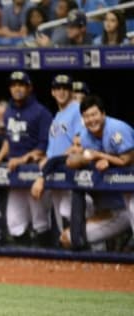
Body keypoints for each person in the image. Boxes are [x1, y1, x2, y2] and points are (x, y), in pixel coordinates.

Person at [0, 71, 53, 246]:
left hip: (35, 172)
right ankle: (26, 265)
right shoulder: (9, 111)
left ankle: (47, 260)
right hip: (15, 174)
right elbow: (9, 139)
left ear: (29, 88)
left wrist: (22, 159)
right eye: (14, 85)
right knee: (15, 223)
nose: (17, 88)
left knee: (40, 221)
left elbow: (44, 146)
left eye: (21, 84)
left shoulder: (41, 112)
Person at [65, 95, 133, 250]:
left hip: (128, 196)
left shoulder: (117, 128)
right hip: (112, 206)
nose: (91, 120)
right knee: (68, 237)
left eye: (94, 114)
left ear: (103, 114)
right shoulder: (85, 136)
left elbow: (128, 159)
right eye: (87, 117)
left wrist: (102, 157)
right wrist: (86, 158)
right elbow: (72, 162)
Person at [30, 74, 85, 235]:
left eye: (65, 88)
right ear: (52, 92)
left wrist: (52, 161)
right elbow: (53, 147)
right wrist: (46, 158)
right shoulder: (58, 116)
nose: (61, 92)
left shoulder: (77, 110)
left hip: (70, 172)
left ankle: (93, 256)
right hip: (54, 171)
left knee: (70, 214)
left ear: (71, 92)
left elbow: (79, 143)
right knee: (62, 223)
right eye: (57, 88)